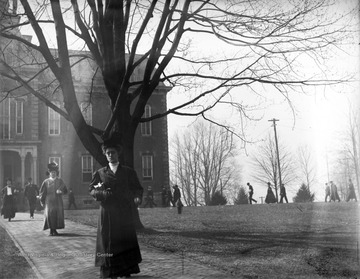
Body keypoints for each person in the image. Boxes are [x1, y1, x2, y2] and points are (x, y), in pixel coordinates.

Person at [89, 135, 143, 278]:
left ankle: (126, 271)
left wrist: (137, 197)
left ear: (118, 153)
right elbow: (92, 190)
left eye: (113, 152)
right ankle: (109, 271)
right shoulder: (100, 173)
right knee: (108, 240)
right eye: (108, 153)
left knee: (125, 239)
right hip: (107, 213)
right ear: (105, 155)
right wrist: (102, 194)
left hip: (124, 212)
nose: (111, 155)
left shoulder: (128, 172)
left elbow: (137, 188)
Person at [39, 162, 68, 236]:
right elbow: (42, 192)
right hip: (49, 201)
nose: (53, 174)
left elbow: (65, 190)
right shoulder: (46, 182)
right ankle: (51, 230)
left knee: (56, 214)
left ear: (56, 173)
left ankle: (54, 230)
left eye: (54, 172)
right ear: (49, 173)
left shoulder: (60, 181)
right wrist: (42, 201)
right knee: (50, 214)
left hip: (58, 201)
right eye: (52, 172)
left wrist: (61, 191)